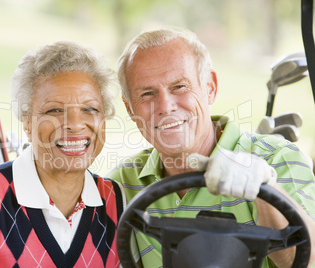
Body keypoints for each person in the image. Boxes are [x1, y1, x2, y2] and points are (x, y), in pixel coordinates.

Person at [110, 27, 315, 267]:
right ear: (130, 108)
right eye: (147, 93)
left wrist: (265, 188)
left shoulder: (278, 157)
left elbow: (307, 259)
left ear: (210, 87)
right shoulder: (121, 184)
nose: (165, 106)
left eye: (179, 86)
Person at [0, 41, 125, 267]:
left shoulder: (116, 201)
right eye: (55, 110)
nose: (76, 125)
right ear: (27, 123)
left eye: (90, 109)